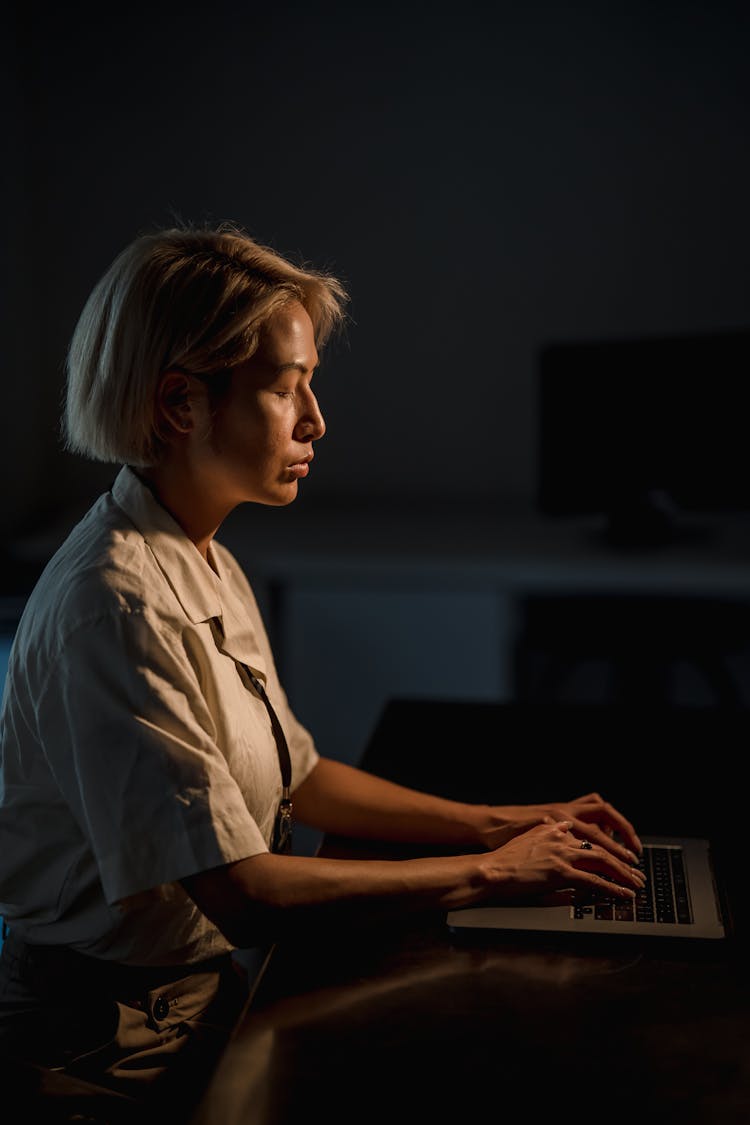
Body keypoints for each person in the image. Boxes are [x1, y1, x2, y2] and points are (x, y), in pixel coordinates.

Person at [0, 222, 645, 1121]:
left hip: (191, 1001)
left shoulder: (199, 551)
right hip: (106, 1051)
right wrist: (495, 871)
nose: (316, 420)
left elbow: (298, 774)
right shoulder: (117, 602)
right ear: (181, 403)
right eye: (286, 387)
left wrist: (499, 822)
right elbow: (249, 892)